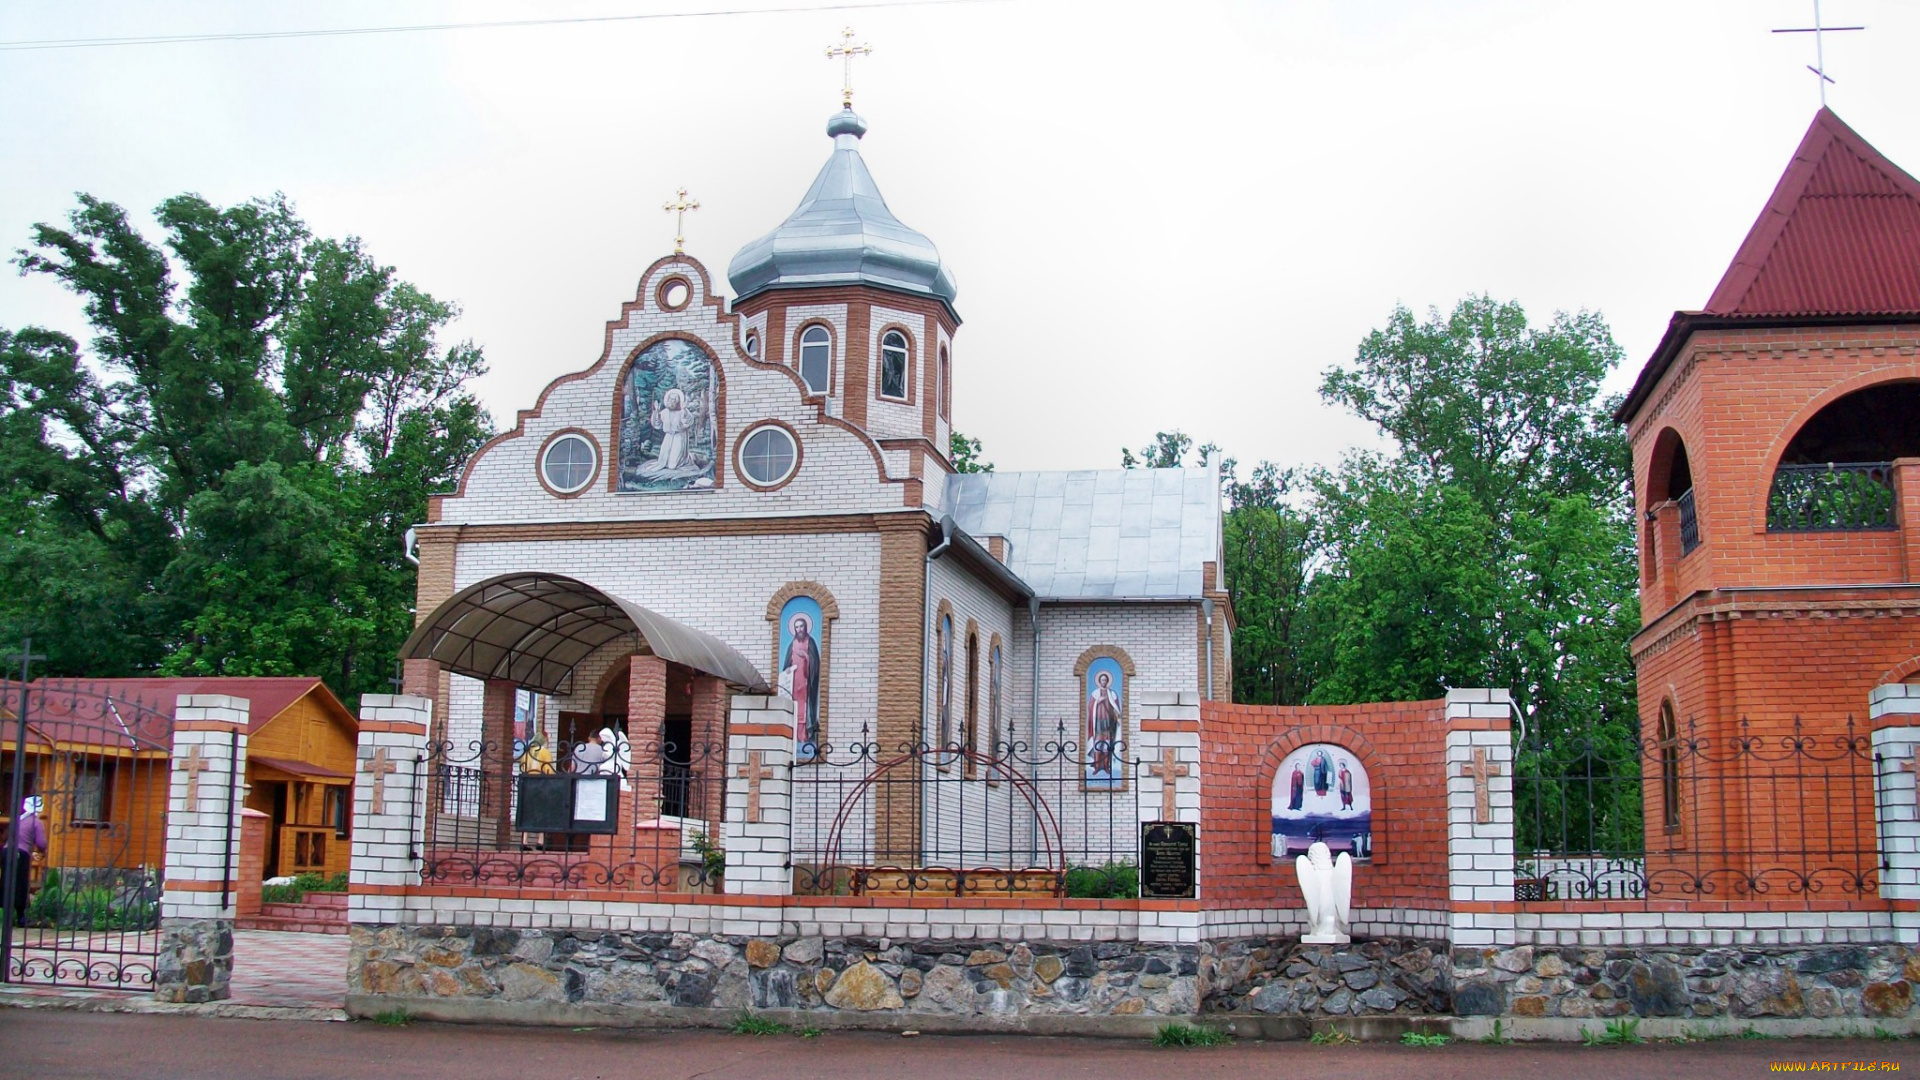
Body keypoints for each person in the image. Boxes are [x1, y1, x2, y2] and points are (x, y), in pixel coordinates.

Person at [7, 795, 47, 928]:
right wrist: (42, 852)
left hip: (6, 852)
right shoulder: (35, 822)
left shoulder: (19, 819)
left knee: (7, 884)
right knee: (21, 885)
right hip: (20, 855)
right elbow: (41, 843)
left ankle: (8, 916)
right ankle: (21, 918)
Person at [1086, 671, 1121, 777]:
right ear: (1099, 681)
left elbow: (1116, 707)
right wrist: (1099, 701)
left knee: (1107, 745)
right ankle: (1097, 766)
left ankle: (1106, 766)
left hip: (1108, 722)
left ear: (1107, 681)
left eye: (1105, 680)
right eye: (1102, 680)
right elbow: (1090, 706)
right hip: (1098, 722)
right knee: (1098, 744)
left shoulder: (1112, 693)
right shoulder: (1095, 693)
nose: (1103, 682)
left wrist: (1116, 716)